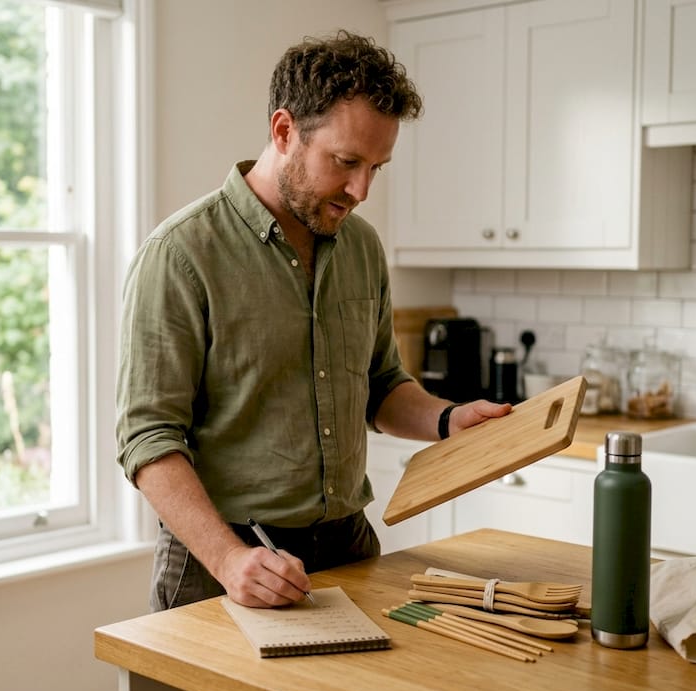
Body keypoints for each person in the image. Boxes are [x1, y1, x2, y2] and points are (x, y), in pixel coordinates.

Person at [116, 30, 511, 612]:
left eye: (377, 167)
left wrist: (449, 420)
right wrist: (229, 561)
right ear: (284, 132)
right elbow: (146, 438)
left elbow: (380, 386)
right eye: (346, 162)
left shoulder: (362, 248)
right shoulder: (181, 254)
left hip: (351, 544)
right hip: (228, 560)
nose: (361, 190)